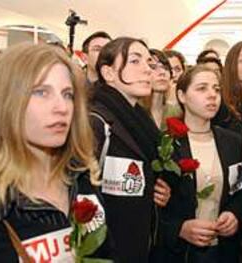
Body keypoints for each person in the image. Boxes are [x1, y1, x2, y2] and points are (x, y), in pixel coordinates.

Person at [0, 43, 118, 262]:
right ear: (5, 102)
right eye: (41, 92)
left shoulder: (82, 177)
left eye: (68, 94)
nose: (62, 107)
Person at [158, 65, 242, 263]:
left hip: (224, 252)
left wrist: (235, 214)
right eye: (202, 88)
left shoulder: (233, 142)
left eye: (216, 89)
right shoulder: (165, 145)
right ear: (182, 96)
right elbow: (151, 208)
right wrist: (179, 229)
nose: (212, 95)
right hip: (178, 254)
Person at [90, 37, 171, 263]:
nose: (147, 70)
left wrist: (155, 190)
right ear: (108, 73)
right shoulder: (95, 121)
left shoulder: (139, 120)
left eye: (149, 63)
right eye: (135, 61)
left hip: (139, 246)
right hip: (108, 251)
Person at [141, 48, 173, 129]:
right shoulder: (134, 110)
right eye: (153, 67)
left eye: (166, 68)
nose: (162, 72)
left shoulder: (176, 112)